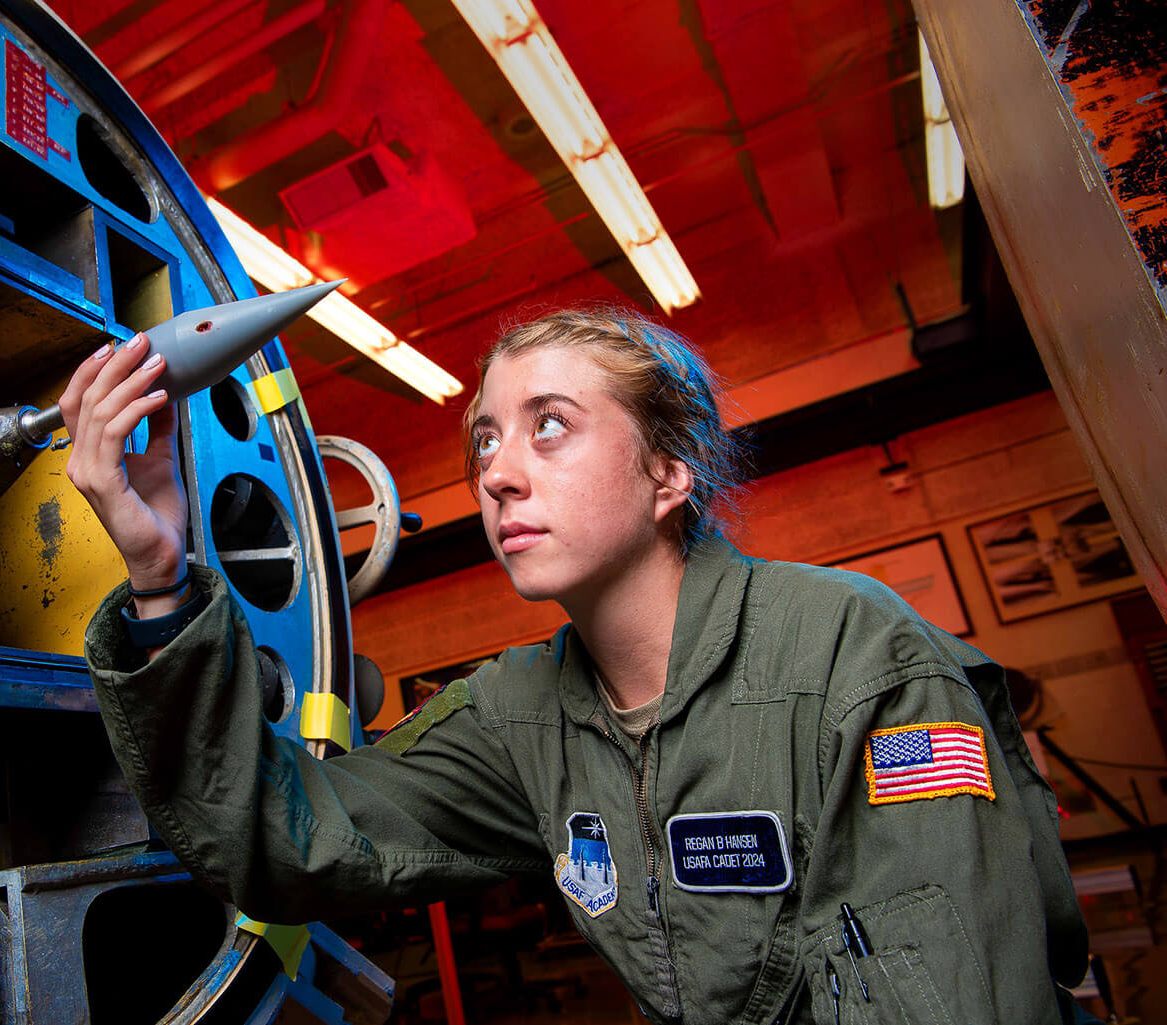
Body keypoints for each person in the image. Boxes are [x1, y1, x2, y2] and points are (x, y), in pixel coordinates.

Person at [60, 308, 1089, 1024]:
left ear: (669, 473)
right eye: (486, 441)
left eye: (549, 425)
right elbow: (283, 839)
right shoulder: (520, 711)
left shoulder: (854, 656)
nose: (497, 472)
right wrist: (162, 580)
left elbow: (949, 994)